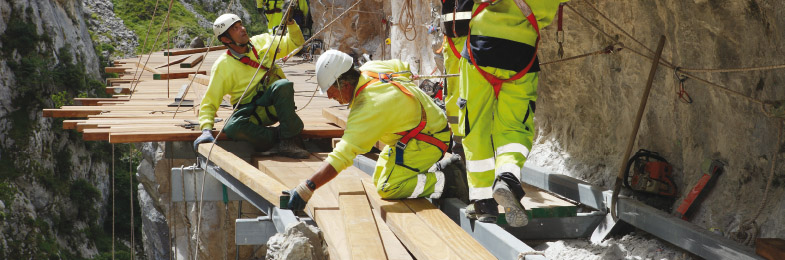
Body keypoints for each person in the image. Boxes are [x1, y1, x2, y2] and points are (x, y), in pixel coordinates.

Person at [287, 50, 466, 210]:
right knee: (379, 176)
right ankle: (439, 168)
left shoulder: (368, 107)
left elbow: (341, 156)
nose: (329, 96)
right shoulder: (370, 68)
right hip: (426, 128)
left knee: (388, 186)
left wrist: (308, 187)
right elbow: (401, 66)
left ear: (345, 84)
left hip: (428, 139)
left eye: (331, 90)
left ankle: (450, 180)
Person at [457, 0, 568, 227]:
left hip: (481, 47)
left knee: (475, 126)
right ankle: (507, 178)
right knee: (515, 127)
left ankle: (483, 203)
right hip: (522, 53)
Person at [193, 13, 310, 159]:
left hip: (275, 104)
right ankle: (283, 136)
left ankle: (288, 141)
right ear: (225, 39)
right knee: (232, 128)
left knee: (283, 85)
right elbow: (210, 100)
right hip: (251, 112)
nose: (242, 29)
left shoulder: (261, 42)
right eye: (235, 28)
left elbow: (296, 43)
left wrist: (291, 23)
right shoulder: (223, 66)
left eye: (240, 25)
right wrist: (206, 129)